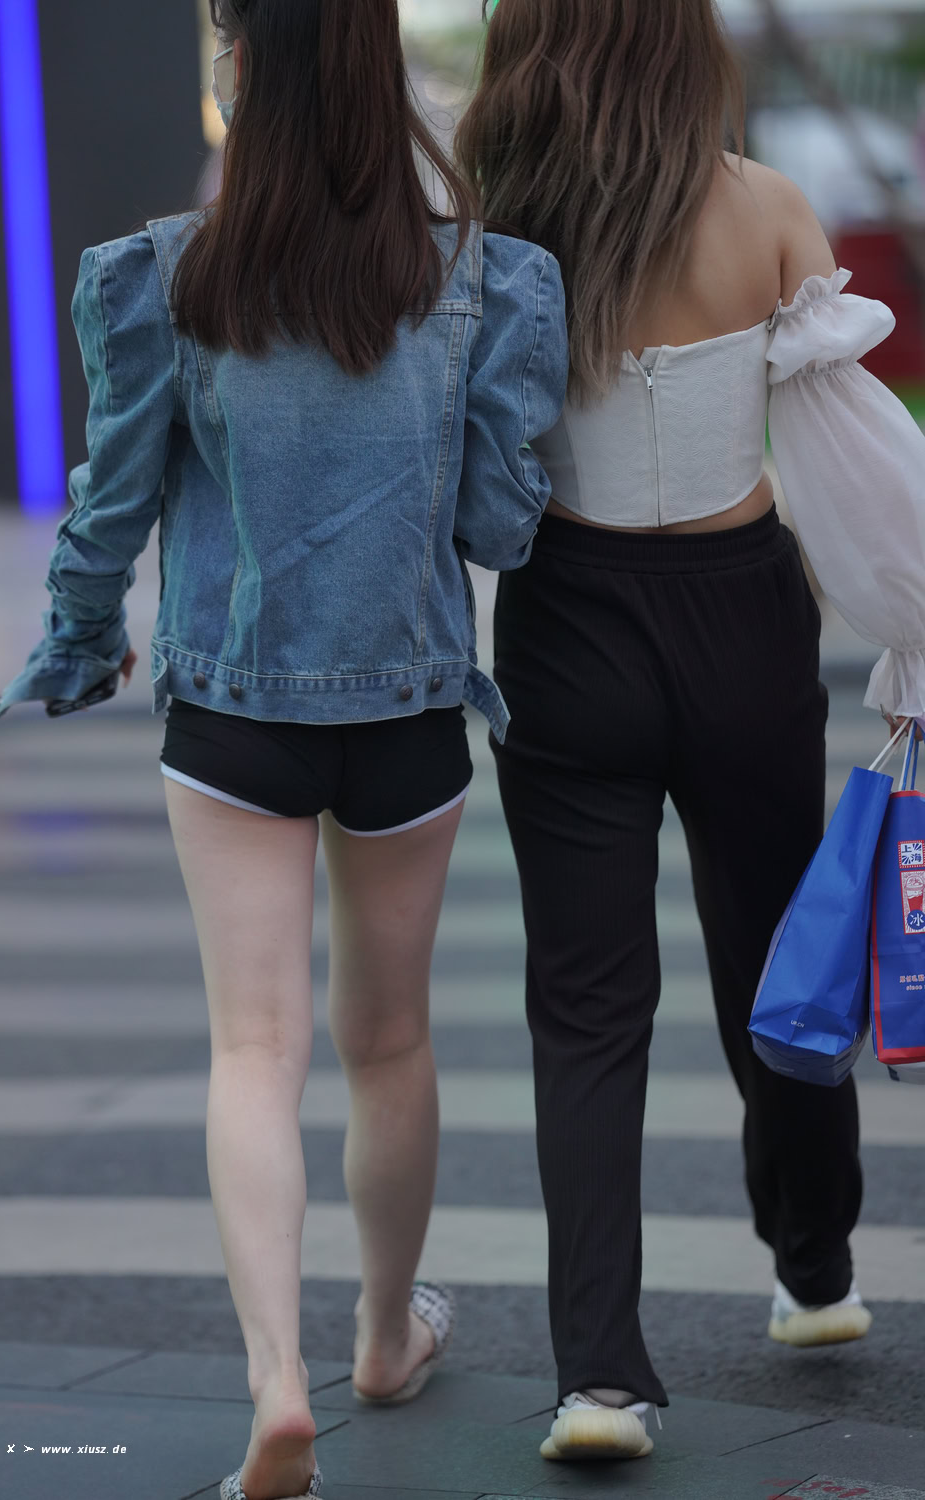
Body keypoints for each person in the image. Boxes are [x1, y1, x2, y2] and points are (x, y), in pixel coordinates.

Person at [0, 3, 568, 1496]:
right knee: (392, 1042)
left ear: (240, 68)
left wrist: (79, 641)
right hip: (408, 715)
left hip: (231, 714)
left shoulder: (168, 275)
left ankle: (273, 1384)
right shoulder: (479, 278)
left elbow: (109, 507)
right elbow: (500, 525)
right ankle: (383, 1337)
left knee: (255, 1048)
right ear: (382, 73)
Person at [456, 0, 925, 1466]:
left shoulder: (496, 212)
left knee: (586, 1011)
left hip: (565, 618)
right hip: (741, 619)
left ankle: (601, 1378)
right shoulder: (767, 209)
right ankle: (816, 1273)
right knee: (779, 963)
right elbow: (848, 453)